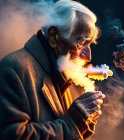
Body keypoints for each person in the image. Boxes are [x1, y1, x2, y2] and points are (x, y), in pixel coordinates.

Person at [0, 0, 105, 139]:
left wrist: (84, 123)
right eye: (81, 42)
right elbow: (13, 135)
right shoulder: (14, 68)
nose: (88, 57)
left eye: (89, 44)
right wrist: (72, 123)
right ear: (53, 36)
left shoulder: (63, 75)